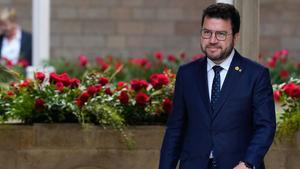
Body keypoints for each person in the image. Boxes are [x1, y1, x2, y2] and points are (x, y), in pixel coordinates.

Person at [159, 3, 276, 169]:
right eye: (207, 33)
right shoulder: (187, 74)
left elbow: (266, 126)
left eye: (221, 34)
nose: (212, 40)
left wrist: (248, 163)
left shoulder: (255, 75)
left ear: (235, 37)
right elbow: (175, 129)